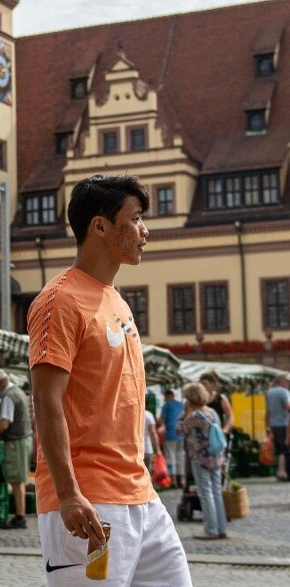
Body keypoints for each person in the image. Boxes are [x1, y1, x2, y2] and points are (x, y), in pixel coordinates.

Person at [28, 175, 191, 586]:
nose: (145, 231)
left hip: (140, 495)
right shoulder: (58, 300)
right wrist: (67, 494)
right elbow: (46, 403)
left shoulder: (115, 299)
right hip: (89, 500)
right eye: (135, 219)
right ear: (99, 226)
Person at [177, 382, 228, 540]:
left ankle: (211, 529)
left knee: (205, 492)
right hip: (216, 456)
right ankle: (221, 527)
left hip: (200, 458)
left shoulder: (193, 416)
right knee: (217, 492)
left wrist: (183, 415)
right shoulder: (212, 412)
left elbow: (180, 430)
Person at [0, 369, 33, 530]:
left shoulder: (8, 396)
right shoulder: (18, 391)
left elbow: (5, 423)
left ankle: (20, 516)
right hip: (24, 439)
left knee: (16, 479)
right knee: (20, 479)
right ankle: (20, 514)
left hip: (15, 441)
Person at [158, 390, 185, 489]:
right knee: (181, 457)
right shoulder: (181, 404)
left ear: (168, 396)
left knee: (171, 457)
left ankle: (174, 481)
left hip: (170, 434)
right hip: (181, 434)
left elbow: (161, 420)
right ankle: (182, 480)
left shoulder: (166, 405)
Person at [265, 375, 290, 481]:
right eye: (287, 381)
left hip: (273, 424)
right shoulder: (283, 392)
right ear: (281, 381)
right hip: (284, 423)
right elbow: (287, 406)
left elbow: (268, 411)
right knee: (285, 448)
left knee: (279, 448)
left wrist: (267, 425)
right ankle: (282, 472)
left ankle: (280, 471)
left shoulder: (269, 392)